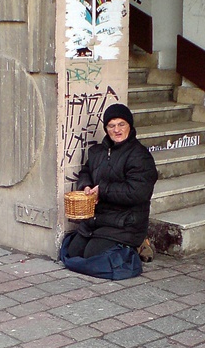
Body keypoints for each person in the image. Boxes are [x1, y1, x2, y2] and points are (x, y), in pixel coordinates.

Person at [67, 103, 158, 259]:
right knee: (73, 253)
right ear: (106, 128)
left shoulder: (139, 155)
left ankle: (139, 245)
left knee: (92, 256)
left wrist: (102, 190)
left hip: (125, 222)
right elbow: (86, 172)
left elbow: (138, 192)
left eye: (121, 124)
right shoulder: (97, 152)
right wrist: (86, 187)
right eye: (111, 125)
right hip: (99, 219)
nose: (117, 130)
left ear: (129, 125)